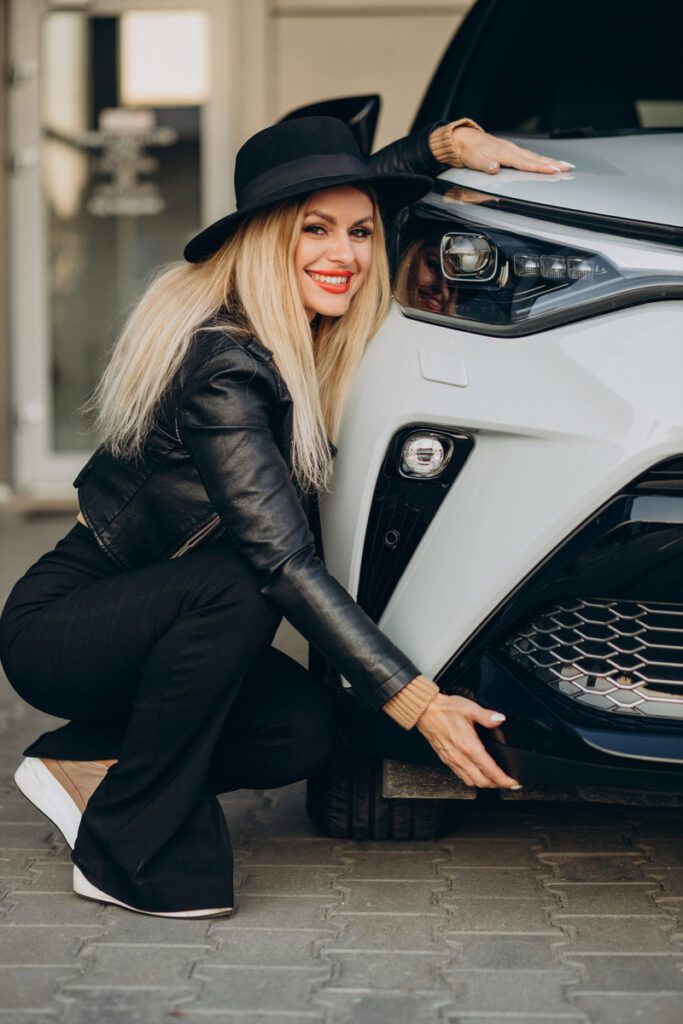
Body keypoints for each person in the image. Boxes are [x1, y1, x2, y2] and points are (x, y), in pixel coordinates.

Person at [0, 116, 571, 920]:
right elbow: (279, 561)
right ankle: (127, 848)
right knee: (243, 578)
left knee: (300, 731)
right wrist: (418, 701)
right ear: (268, 238)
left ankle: (87, 768)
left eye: (362, 234)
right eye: (314, 230)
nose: (343, 254)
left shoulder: (298, 337)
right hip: (66, 626)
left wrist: (439, 150)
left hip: (167, 618)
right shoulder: (224, 365)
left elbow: (348, 190)